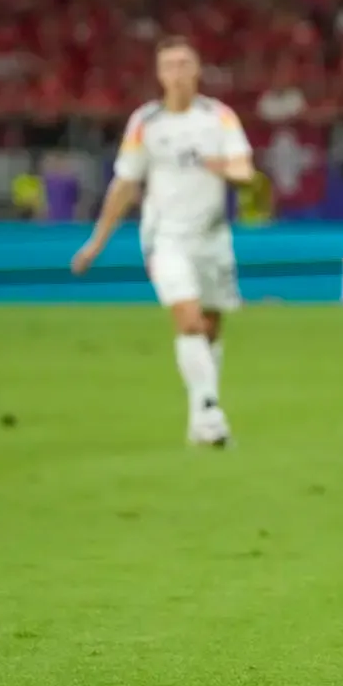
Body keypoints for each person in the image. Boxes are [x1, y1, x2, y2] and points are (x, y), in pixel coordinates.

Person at [71, 36, 255, 447]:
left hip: (212, 238)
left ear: (197, 70)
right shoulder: (145, 123)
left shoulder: (219, 117)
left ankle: (199, 420)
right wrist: (96, 242)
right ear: (158, 74)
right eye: (169, 65)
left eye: (184, 64)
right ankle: (209, 411)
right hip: (166, 238)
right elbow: (125, 185)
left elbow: (244, 170)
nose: (177, 72)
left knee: (209, 327)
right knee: (188, 320)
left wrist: (222, 166)